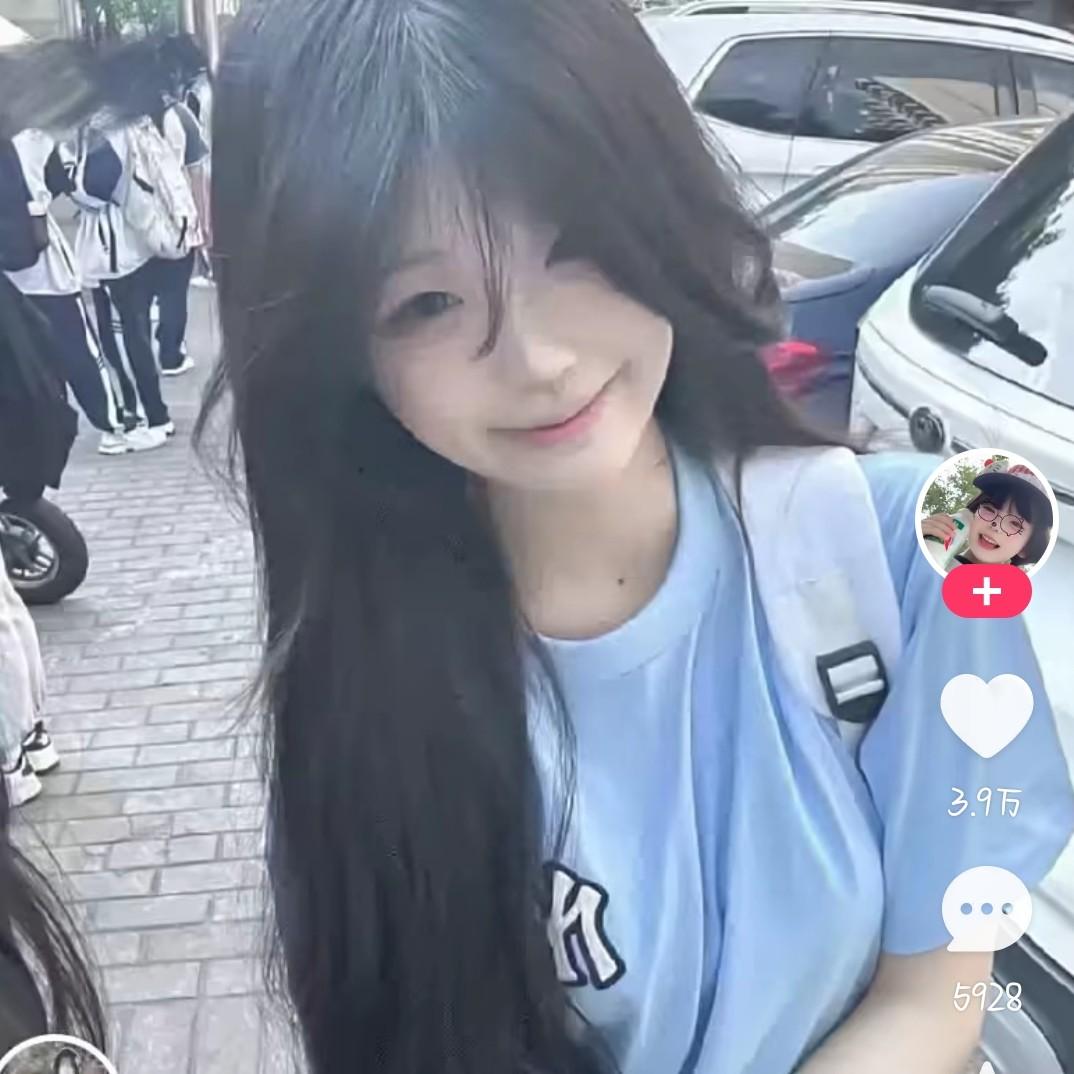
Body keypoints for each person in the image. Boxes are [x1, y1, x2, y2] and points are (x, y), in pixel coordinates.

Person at [3, 13, 1073, 1074]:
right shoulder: (359, 680)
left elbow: (946, 992)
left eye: (578, 248)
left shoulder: (906, 556)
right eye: (427, 302)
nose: (538, 358)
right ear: (340, 354)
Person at [0, 128, 130, 455]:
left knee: (22, 359)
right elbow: (63, 182)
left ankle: (38, 433)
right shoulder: (34, 136)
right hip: (47, 270)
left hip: (7, 279)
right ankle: (111, 425)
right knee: (80, 352)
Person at [921, 459, 1054, 573]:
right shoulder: (932, 553)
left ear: (1026, 547)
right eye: (990, 509)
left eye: (1015, 524)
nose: (995, 525)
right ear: (974, 513)